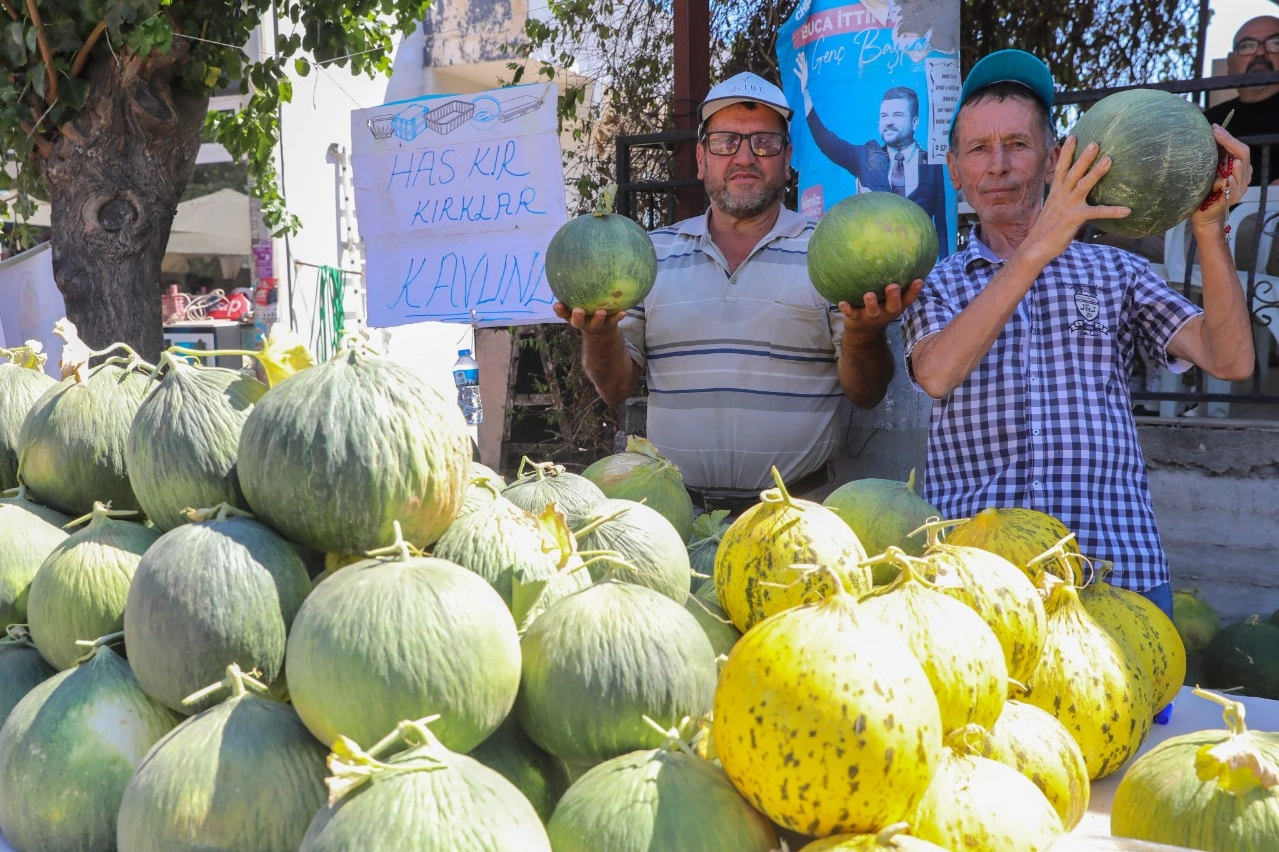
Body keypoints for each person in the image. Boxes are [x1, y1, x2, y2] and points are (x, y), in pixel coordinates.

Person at [901, 50, 1255, 621]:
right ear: (954, 170)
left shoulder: (1118, 272)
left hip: (1116, 575)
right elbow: (937, 372)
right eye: (978, 149)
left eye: (1017, 144)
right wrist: (1039, 247)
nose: (997, 165)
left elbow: (1231, 358)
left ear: (1052, 160)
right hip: (978, 582)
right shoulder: (937, 285)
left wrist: (1209, 228)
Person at [553, 72, 921, 514]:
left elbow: (867, 393)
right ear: (700, 158)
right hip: (675, 518)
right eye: (726, 141)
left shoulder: (829, 254)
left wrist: (865, 333)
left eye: (764, 143)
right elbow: (615, 388)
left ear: (787, 160)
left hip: (798, 518)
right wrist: (598, 335)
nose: (744, 157)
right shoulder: (647, 256)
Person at [793, 54, 949, 259]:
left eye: (898, 115)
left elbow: (942, 225)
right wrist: (805, 95)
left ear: (915, 122)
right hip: (873, 268)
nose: (889, 122)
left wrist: (945, 266)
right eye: (884, 116)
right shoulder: (866, 156)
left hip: (921, 274)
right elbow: (826, 141)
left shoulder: (931, 163)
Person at [1204, 15, 1279, 186]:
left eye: (1275, 44)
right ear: (1230, 63)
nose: (1260, 52)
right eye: (1246, 46)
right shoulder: (1208, 121)